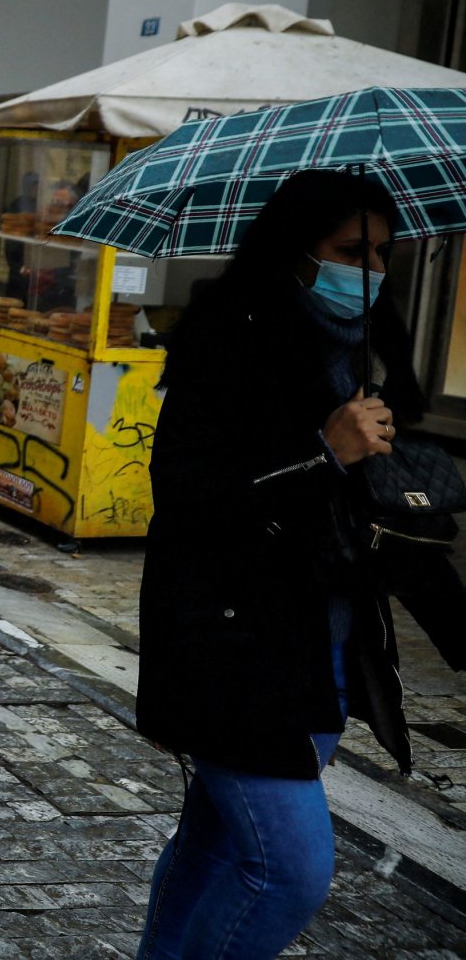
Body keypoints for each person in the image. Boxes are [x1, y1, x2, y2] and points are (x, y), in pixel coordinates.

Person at [136, 169, 466, 959]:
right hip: (233, 648)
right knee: (288, 873)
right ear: (296, 249)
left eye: (385, 254)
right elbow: (190, 502)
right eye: (353, 250)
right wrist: (327, 453)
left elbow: (369, 522)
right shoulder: (227, 341)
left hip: (321, 648)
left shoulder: (354, 355)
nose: (373, 271)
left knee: (215, 846)